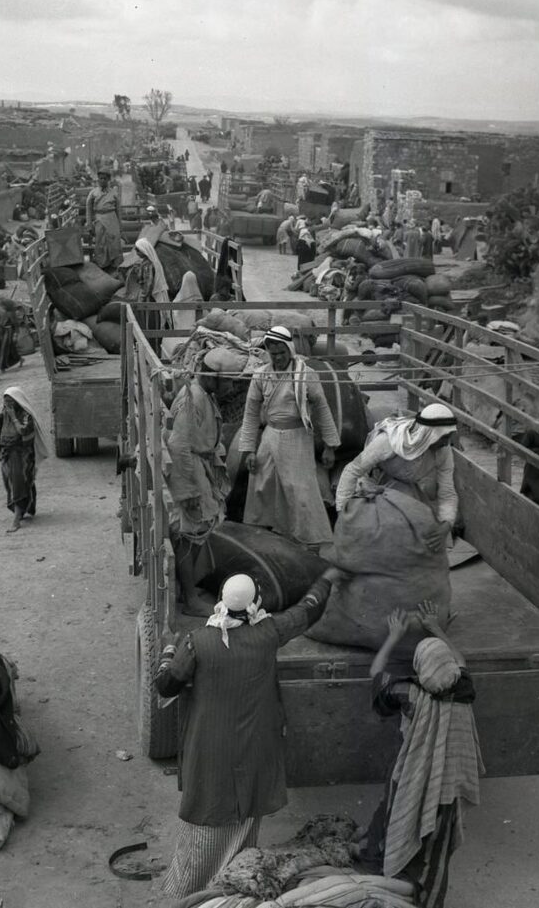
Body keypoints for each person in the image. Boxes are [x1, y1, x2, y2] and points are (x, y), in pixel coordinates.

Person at [155, 570, 332, 898]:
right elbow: (306, 610)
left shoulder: (198, 641)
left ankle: (188, 893)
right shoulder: (269, 633)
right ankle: (231, 888)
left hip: (210, 750)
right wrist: (326, 579)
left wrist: (167, 651)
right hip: (254, 748)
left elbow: (167, 685)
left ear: (222, 600)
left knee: (205, 820)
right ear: (254, 604)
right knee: (245, 812)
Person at [358, 602, 483, 908]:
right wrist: (437, 630)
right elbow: (460, 661)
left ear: (419, 666)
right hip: (446, 787)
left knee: (390, 824)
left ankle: (379, 882)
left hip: (410, 775)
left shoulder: (409, 694)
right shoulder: (462, 689)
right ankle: (427, 898)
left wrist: (393, 636)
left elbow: (377, 677)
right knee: (434, 850)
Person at [238, 326, 339, 547]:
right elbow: (251, 415)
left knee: (300, 490)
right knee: (262, 485)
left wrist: (330, 446)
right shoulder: (261, 375)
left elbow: (322, 409)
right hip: (270, 436)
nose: (279, 358)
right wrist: (249, 450)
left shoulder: (305, 375)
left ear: (290, 350)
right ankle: (269, 536)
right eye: (274, 354)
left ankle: (309, 540)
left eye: (282, 353)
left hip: (298, 437)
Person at [335, 403, 459, 551]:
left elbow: (447, 492)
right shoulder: (388, 442)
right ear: (429, 434)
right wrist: (342, 513)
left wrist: (446, 525)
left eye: (449, 437)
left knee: (423, 534)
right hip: (377, 484)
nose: (446, 443)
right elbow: (352, 471)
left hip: (409, 489)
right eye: (444, 437)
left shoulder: (444, 452)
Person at [164, 349, 233, 543]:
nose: (231, 386)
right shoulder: (192, 400)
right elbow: (178, 445)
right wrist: (188, 491)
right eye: (228, 380)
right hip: (191, 470)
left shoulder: (204, 394)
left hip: (200, 467)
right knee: (195, 525)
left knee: (206, 520)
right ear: (212, 379)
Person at [0, 386, 49, 533]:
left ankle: (16, 519)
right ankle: (25, 507)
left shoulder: (25, 417)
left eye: (11, 401)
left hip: (23, 455)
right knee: (10, 484)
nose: (8, 405)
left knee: (18, 483)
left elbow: (23, 431)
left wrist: (14, 418)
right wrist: (0, 447)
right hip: (7, 455)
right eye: (6, 402)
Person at [86, 169, 122, 271]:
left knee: (114, 241)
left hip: (112, 219)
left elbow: (119, 211)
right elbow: (88, 210)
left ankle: (115, 264)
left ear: (108, 180)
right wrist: (89, 224)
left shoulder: (114, 193)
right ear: (98, 179)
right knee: (100, 242)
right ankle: (102, 264)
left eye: (104, 179)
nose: (102, 181)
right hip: (99, 219)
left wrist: (120, 226)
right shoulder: (93, 193)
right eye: (100, 178)